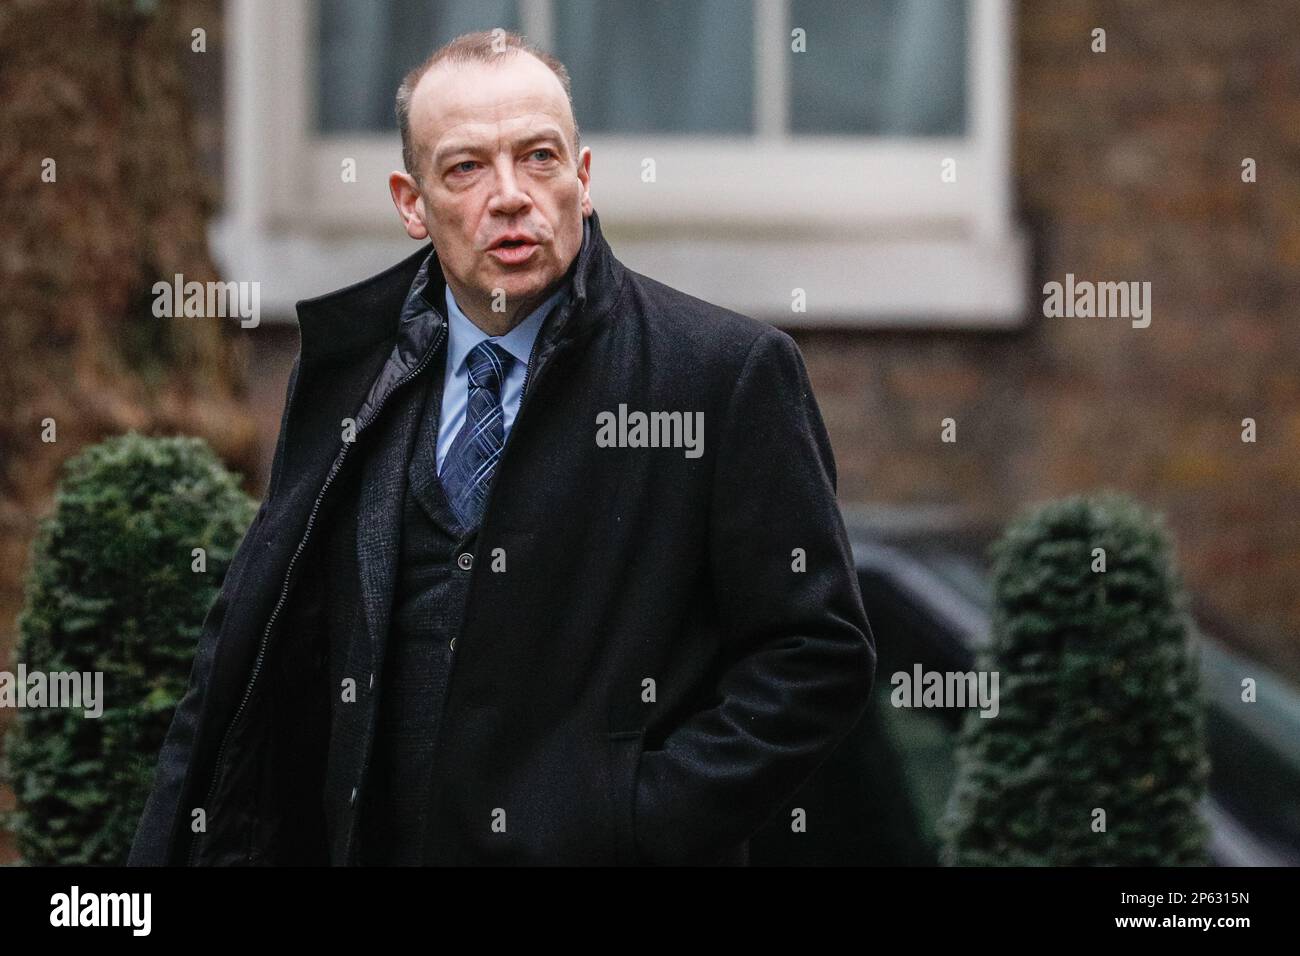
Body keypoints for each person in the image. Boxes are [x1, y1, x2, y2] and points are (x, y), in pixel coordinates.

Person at [128, 29, 876, 866]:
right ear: (411, 203)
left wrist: (632, 818)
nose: (512, 194)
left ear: (582, 181)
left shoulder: (723, 374)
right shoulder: (351, 369)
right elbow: (257, 636)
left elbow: (818, 655)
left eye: (540, 158)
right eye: (466, 168)